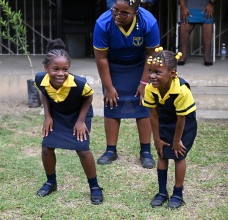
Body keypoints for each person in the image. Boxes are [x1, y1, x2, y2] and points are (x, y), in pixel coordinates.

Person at [34, 38, 103, 205]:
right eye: (55, 69)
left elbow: (88, 97)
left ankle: (94, 187)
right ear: (46, 68)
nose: (60, 73)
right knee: (47, 146)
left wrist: (81, 121)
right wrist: (47, 116)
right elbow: (45, 93)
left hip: (79, 114)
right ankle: (51, 182)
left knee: (82, 148)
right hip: (57, 113)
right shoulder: (40, 78)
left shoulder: (79, 84)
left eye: (65, 69)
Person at [93, 0, 160, 168]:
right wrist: (108, 87)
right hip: (113, 65)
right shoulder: (103, 23)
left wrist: (144, 82)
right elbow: (101, 58)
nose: (118, 15)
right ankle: (110, 150)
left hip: (141, 65)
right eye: (115, 10)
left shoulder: (149, 23)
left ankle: (145, 151)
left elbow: (151, 56)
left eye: (124, 13)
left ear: (135, 13)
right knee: (112, 104)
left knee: (143, 105)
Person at [143, 47, 197, 209]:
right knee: (162, 154)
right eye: (150, 71)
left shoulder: (181, 90)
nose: (152, 76)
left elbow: (182, 118)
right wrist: (157, 139)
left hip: (184, 126)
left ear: (172, 73)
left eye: (158, 72)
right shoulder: (150, 87)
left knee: (178, 155)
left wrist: (176, 140)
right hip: (164, 121)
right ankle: (162, 192)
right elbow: (153, 115)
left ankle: (178, 194)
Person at [177, 0, 215, 66]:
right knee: (185, 22)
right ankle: (183, 54)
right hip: (188, 6)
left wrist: (211, 4)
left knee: (208, 22)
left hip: (206, 5)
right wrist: (183, 7)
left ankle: (207, 55)